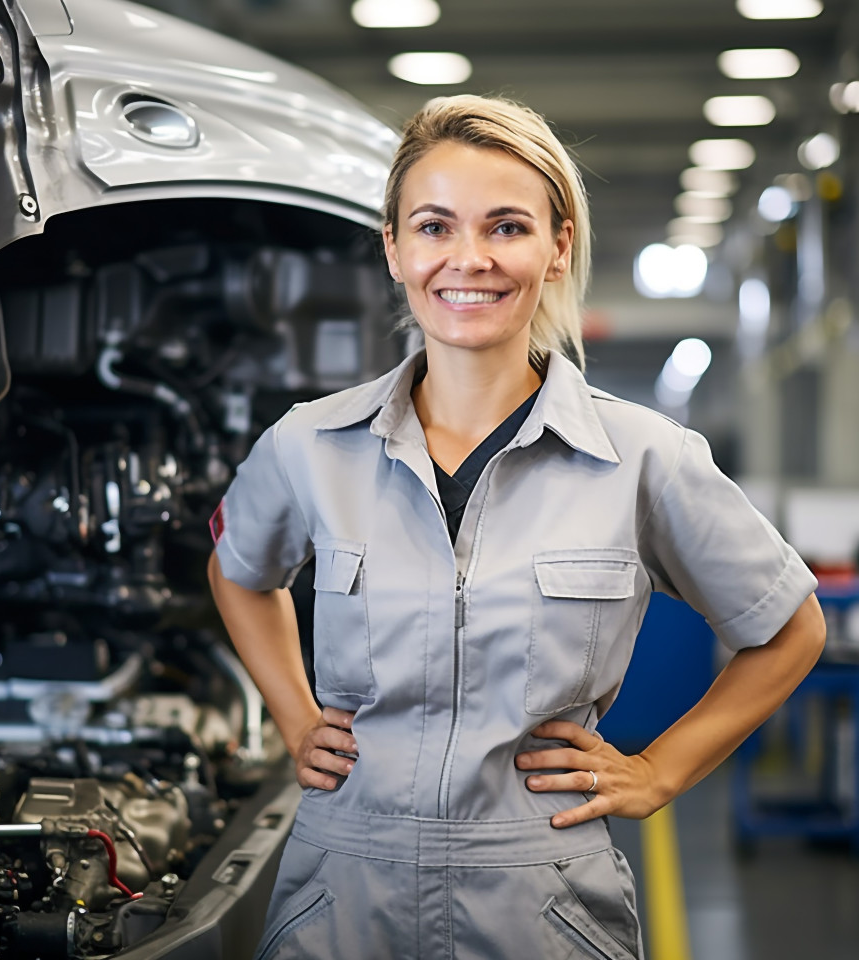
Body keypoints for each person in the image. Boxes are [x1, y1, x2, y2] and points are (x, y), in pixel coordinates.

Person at [207, 94, 825, 960]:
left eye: (506, 227)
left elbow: (790, 626)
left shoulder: (643, 456)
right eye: (433, 227)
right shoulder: (309, 444)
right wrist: (294, 713)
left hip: (541, 902)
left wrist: (659, 771)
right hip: (339, 893)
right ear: (393, 247)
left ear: (557, 245)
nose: (469, 260)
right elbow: (239, 570)